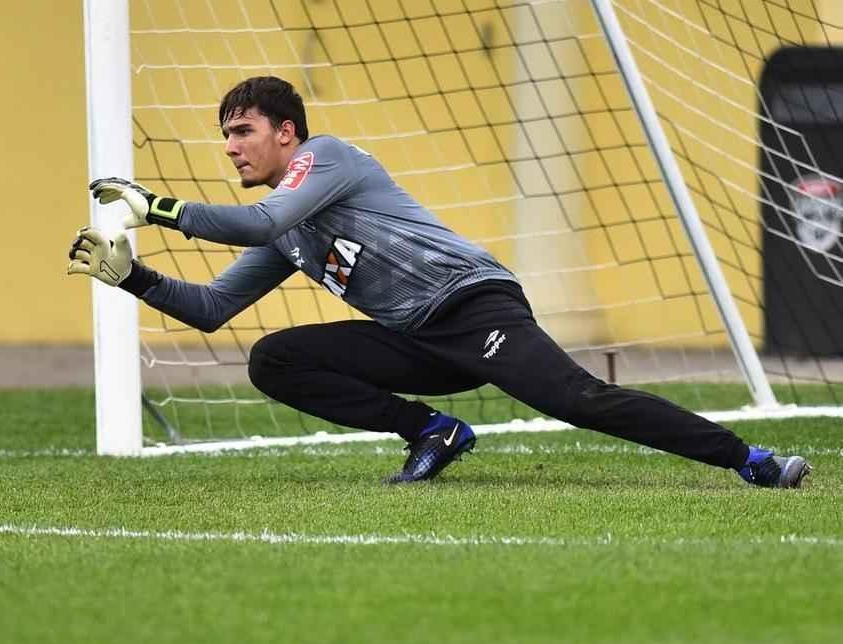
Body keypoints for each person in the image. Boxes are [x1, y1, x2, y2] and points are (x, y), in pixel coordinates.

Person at [68, 76, 811, 488]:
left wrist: (158, 208)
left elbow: (257, 224)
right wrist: (131, 275)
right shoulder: (286, 226)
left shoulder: (327, 160)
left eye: (243, 132)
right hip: (415, 337)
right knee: (275, 359)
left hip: (471, 304)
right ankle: (431, 430)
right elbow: (212, 308)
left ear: (286, 133)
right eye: (225, 136)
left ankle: (749, 461)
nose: (231, 147)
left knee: (578, 400)